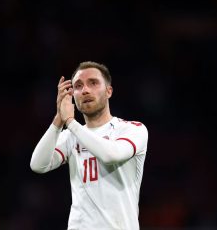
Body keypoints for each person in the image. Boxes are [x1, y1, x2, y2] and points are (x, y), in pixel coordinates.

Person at [30, 61, 148, 230]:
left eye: (93, 83)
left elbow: (110, 155)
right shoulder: (70, 135)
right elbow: (38, 165)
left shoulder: (132, 129)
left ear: (109, 91)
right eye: (78, 86)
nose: (85, 90)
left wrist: (70, 122)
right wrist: (59, 119)